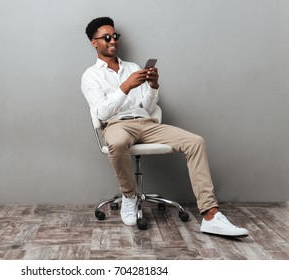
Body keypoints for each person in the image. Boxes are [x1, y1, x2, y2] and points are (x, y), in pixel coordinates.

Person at [81, 16, 249, 238]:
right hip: (117, 125)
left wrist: (152, 86)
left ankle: (211, 215)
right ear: (94, 42)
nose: (113, 40)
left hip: (145, 122)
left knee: (195, 142)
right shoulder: (91, 75)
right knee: (117, 141)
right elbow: (101, 113)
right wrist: (125, 87)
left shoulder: (132, 67)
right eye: (107, 37)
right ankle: (129, 196)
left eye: (115, 36)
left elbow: (148, 106)